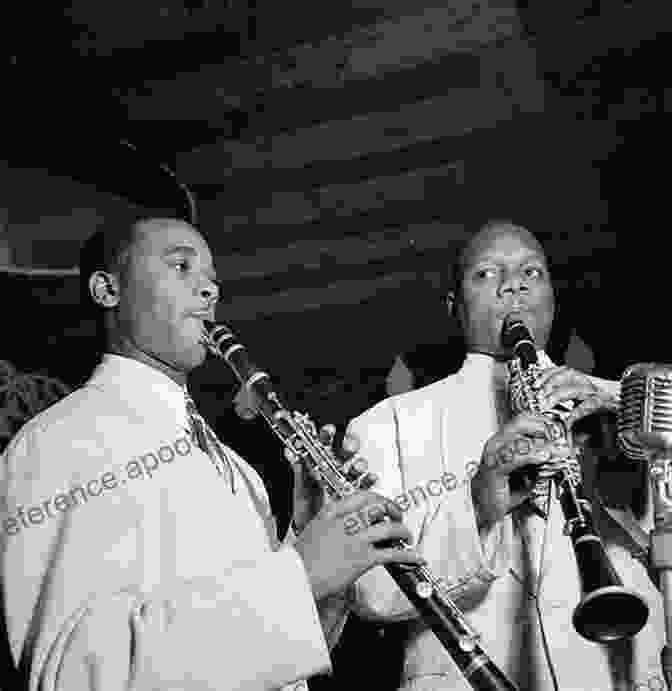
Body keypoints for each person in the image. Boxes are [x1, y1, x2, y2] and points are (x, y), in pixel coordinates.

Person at [0, 214, 425, 691]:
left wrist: (310, 542)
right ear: (107, 290)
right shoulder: (60, 439)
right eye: (181, 267)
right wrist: (301, 575)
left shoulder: (239, 470)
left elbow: (280, 659)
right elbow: (73, 675)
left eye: (212, 280)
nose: (209, 291)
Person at [346, 220, 664, 690]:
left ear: (553, 297)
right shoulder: (386, 425)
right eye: (487, 274)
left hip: (620, 672)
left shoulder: (625, 404)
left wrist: (619, 398)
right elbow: (370, 593)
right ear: (455, 307)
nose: (512, 284)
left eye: (531, 273)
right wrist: (477, 507)